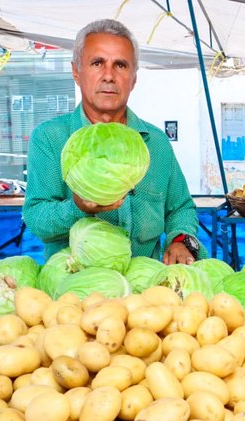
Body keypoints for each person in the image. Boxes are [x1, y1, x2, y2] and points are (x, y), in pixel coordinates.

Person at [23, 19, 202, 265]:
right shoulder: (50, 138)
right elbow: (36, 218)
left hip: (146, 291)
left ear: (134, 79)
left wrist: (181, 239)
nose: (109, 75)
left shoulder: (155, 143)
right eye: (97, 63)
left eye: (120, 65)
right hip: (77, 291)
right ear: (76, 71)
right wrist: (78, 208)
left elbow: (181, 207)